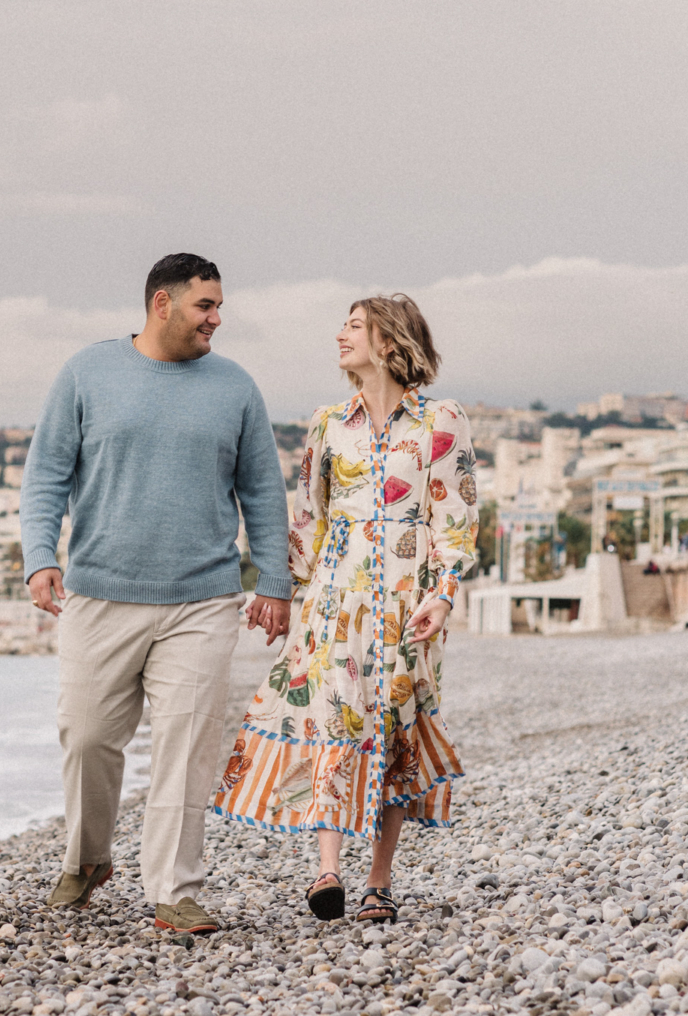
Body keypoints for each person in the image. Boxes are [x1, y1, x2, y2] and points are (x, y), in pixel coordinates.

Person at [21, 253, 293, 935]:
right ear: (162, 304)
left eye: (220, 306)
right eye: (206, 306)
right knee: (85, 737)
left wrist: (277, 583)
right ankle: (86, 859)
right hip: (98, 594)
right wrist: (37, 559)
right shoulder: (88, 373)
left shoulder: (235, 387)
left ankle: (175, 889)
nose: (217, 319)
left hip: (203, 599)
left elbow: (263, 491)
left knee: (186, 743)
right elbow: (46, 474)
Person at [213, 294, 476, 925]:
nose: (340, 336)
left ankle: (378, 881)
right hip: (335, 596)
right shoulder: (329, 423)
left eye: (354, 327)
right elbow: (309, 516)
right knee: (334, 718)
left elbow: (457, 516)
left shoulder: (441, 420)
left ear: (389, 341)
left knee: (392, 724)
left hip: (408, 601)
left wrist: (441, 596)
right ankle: (327, 870)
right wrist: (280, 592)